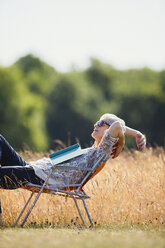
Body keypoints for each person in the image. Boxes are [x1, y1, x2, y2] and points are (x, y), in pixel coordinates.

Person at [0, 113, 146, 190]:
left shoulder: (102, 151)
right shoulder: (91, 150)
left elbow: (118, 125)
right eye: (97, 121)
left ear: (109, 130)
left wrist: (121, 141)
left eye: (102, 123)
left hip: (40, 178)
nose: (96, 124)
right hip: (33, 169)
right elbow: (117, 125)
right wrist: (138, 134)